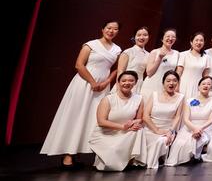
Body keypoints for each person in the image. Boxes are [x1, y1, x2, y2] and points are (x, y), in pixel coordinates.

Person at [41, 20, 122, 168]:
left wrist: (106, 82)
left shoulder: (117, 49)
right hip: (84, 84)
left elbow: (117, 69)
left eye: (115, 29)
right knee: (77, 116)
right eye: (109, 28)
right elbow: (79, 65)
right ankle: (68, 156)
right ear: (102, 29)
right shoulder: (90, 45)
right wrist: (92, 82)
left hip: (102, 87)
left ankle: (80, 153)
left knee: (92, 119)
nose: (111, 31)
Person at [88, 71, 144, 171]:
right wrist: (123, 127)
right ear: (118, 82)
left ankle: (131, 160)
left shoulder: (139, 98)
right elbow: (101, 122)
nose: (127, 83)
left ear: (135, 82)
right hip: (107, 133)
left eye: (131, 81)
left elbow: (139, 119)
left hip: (126, 132)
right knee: (111, 157)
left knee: (139, 129)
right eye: (124, 80)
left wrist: (133, 123)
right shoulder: (108, 99)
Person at [166, 76, 212, 165]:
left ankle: (193, 157)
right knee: (180, 142)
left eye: (209, 84)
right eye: (203, 84)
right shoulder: (189, 101)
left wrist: (199, 129)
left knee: (195, 139)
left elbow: (211, 120)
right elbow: (186, 119)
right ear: (198, 86)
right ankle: (182, 160)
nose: (206, 86)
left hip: (205, 128)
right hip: (190, 127)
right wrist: (194, 128)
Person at [141, 70, 184, 169]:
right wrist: (156, 130)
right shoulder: (154, 95)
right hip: (151, 128)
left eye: (174, 81)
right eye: (168, 81)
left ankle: (152, 164)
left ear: (178, 83)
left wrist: (171, 131)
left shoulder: (180, 97)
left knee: (161, 141)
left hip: (167, 130)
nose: (171, 83)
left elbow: (177, 117)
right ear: (163, 82)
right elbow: (145, 116)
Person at [114, 27, 150, 94]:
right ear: (134, 37)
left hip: (139, 85)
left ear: (148, 37)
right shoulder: (128, 52)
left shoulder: (149, 55)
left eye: (145, 35)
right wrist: (119, 89)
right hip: (126, 84)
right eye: (139, 35)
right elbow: (120, 72)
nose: (141, 37)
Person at [176, 32, 210, 100]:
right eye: (196, 40)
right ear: (191, 42)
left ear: (204, 43)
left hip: (198, 87)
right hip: (183, 85)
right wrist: (176, 86)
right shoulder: (183, 54)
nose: (199, 42)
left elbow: (205, 76)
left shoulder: (207, 57)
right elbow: (178, 73)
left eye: (201, 40)